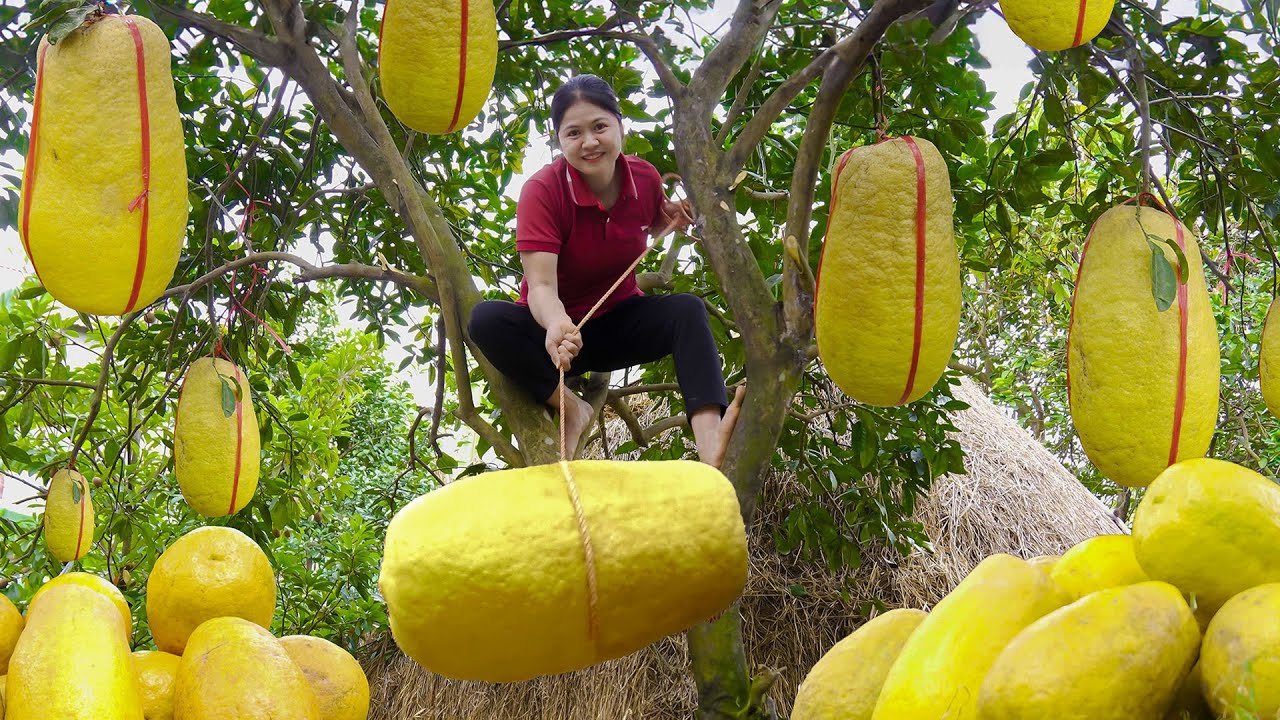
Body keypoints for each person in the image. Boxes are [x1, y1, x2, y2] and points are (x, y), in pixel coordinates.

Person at [467, 74, 744, 467]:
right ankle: (572, 408)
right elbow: (542, 284)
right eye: (574, 133)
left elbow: (655, 216)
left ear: (620, 127)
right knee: (485, 319)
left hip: (616, 324)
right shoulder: (542, 191)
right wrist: (557, 325)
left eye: (599, 127)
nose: (590, 141)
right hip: (556, 338)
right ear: (559, 141)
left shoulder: (644, 177)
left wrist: (675, 214)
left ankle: (711, 444)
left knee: (687, 309)